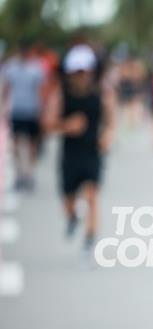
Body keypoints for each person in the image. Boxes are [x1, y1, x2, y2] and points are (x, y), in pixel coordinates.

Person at [42, 44, 115, 262]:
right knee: (68, 197)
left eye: (84, 71)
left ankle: (89, 241)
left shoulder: (102, 92)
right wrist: (67, 125)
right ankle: (72, 217)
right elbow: (47, 123)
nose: (81, 76)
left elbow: (111, 120)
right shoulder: (61, 94)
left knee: (92, 196)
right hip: (70, 153)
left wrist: (107, 136)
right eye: (77, 72)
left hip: (92, 151)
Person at [0, 40, 46, 192]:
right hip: (17, 110)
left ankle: (29, 173)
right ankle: (20, 173)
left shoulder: (36, 68)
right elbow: (6, 88)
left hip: (32, 110)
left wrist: (42, 110)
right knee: (16, 143)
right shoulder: (11, 67)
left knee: (32, 144)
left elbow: (41, 89)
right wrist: (3, 107)